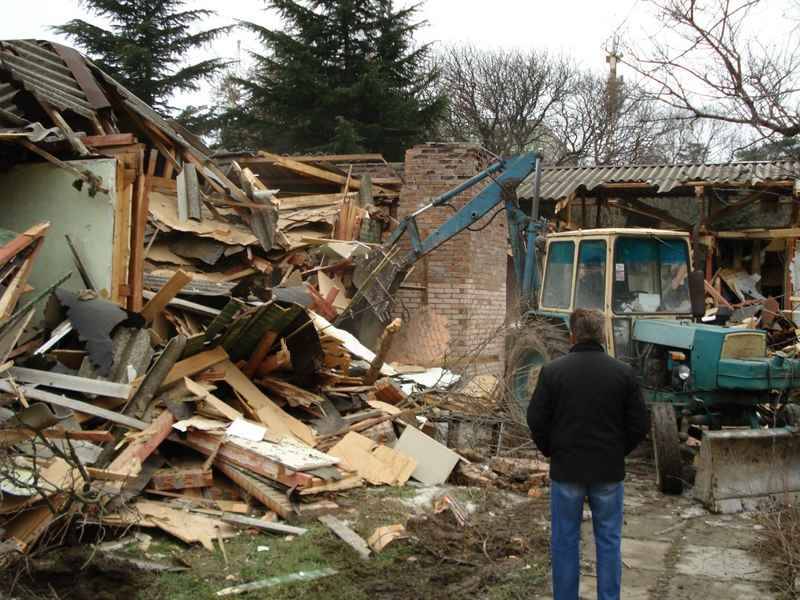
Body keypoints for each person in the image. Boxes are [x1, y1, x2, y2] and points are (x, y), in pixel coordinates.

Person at [527, 309, 649, 600]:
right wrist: (618, 451)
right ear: (603, 335)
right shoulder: (623, 373)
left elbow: (536, 419)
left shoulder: (553, 372)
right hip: (608, 471)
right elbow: (640, 425)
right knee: (608, 541)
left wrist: (551, 450)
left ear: (572, 334)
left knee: (565, 543)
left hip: (566, 470)